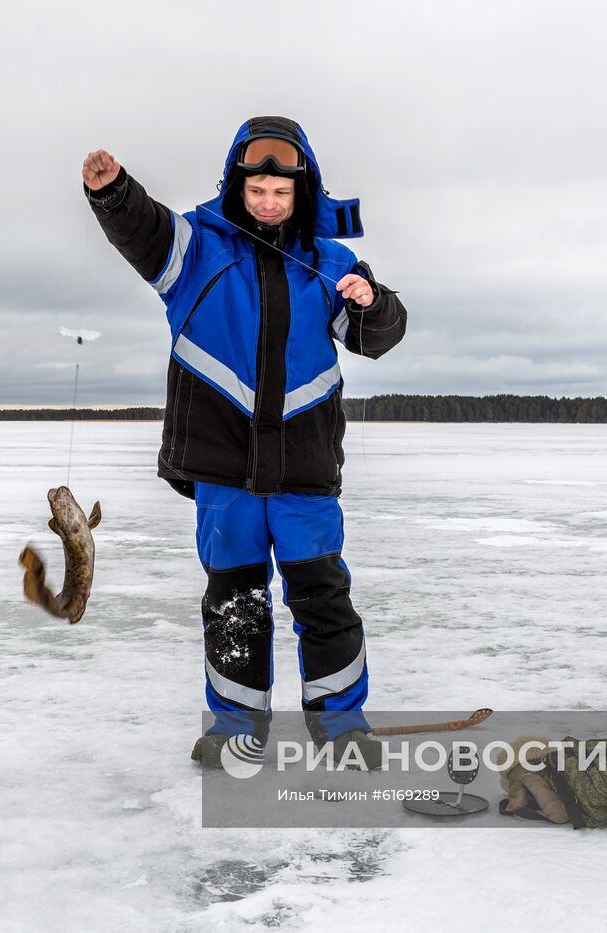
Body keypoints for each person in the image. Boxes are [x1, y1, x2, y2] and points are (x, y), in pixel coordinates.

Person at [82, 116, 407, 768]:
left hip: (305, 467)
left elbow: (379, 335)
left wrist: (371, 302)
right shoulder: (195, 249)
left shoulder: (331, 260)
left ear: (301, 193)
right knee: (235, 603)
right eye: (257, 189)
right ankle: (237, 729)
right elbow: (144, 228)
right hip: (224, 470)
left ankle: (342, 730)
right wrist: (114, 192)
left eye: (280, 193)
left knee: (323, 597)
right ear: (237, 185)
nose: (267, 202)